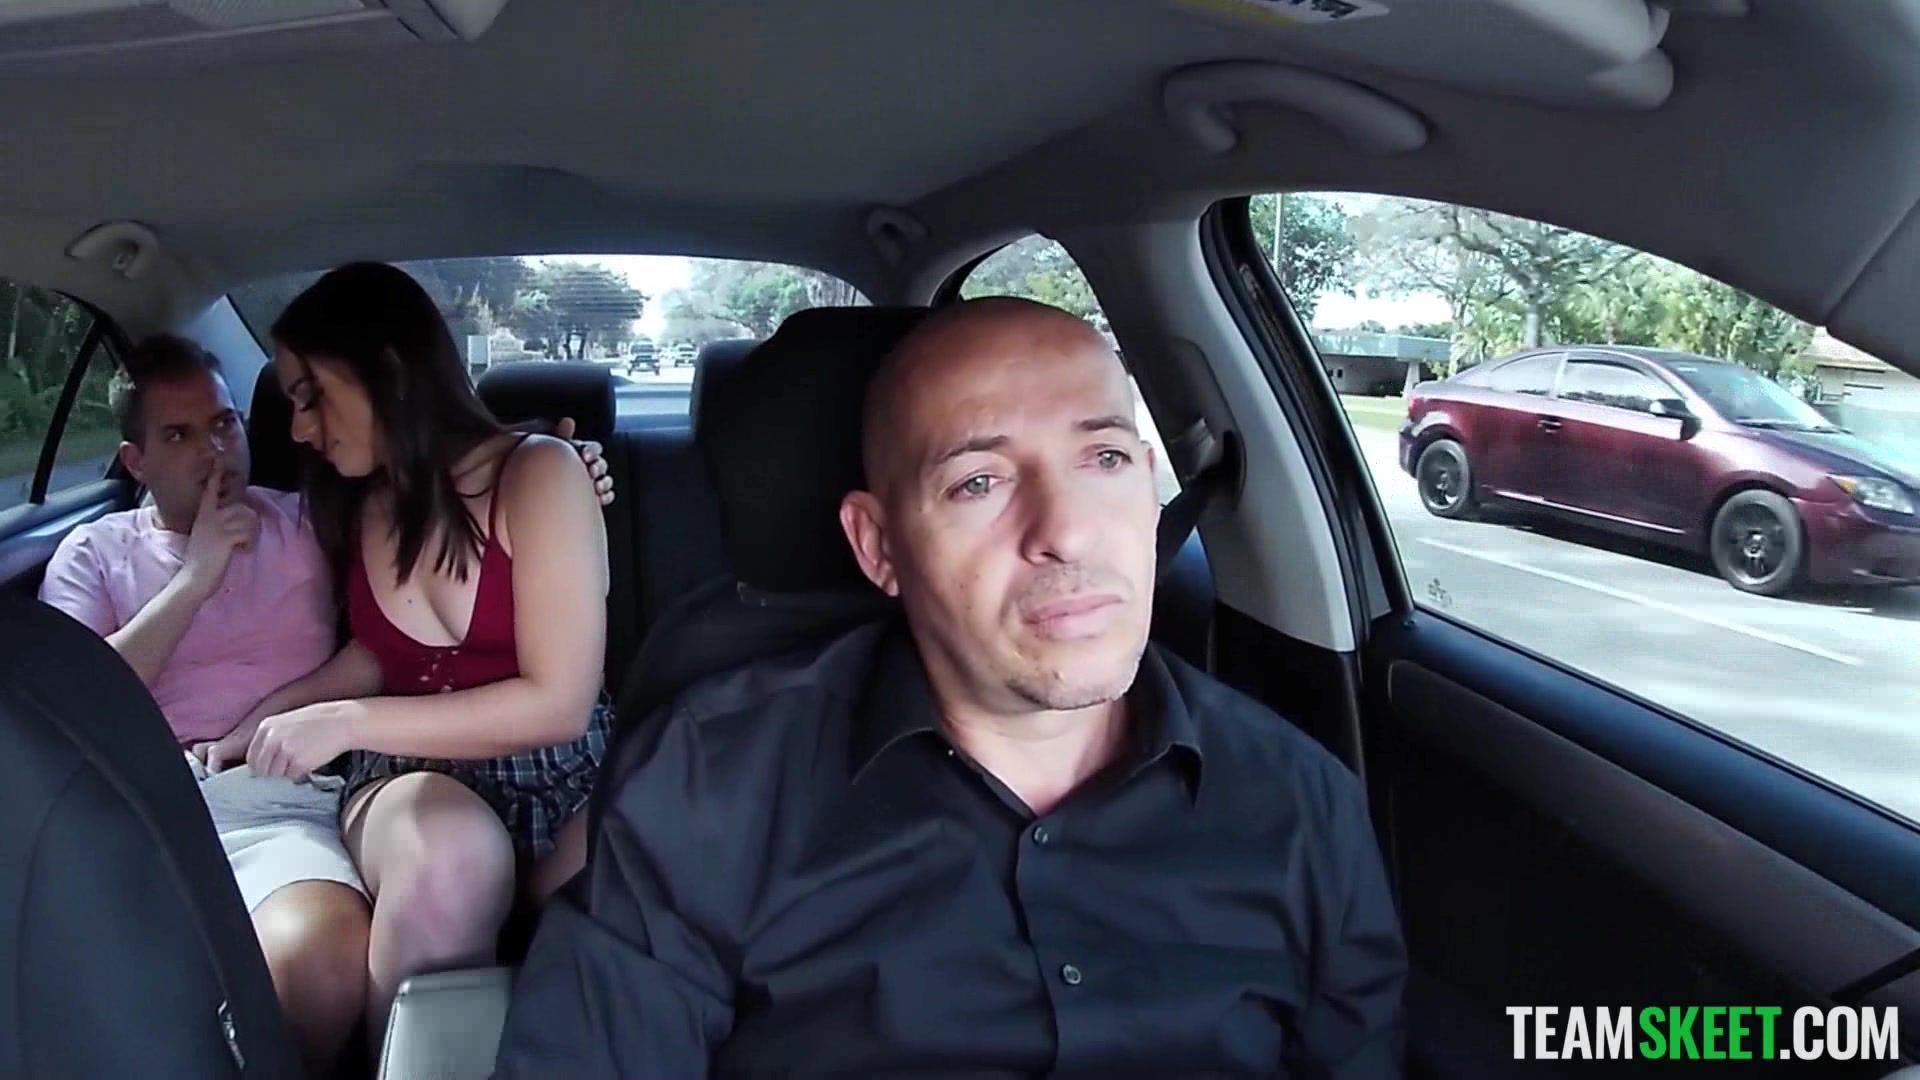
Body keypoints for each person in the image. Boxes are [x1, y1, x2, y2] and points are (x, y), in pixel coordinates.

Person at [493, 297, 1407, 1077]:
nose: (1066, 532)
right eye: (979, 482)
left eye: (1105, 460)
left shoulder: (1301, 801)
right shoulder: (710, 786)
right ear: (878, 546)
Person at [35, 334, 613, 1076]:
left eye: (225, 424)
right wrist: (196, 575)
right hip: (129, 792)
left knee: (321, 962)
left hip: (281, 792)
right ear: (134, 461)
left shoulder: (311, 521)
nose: (214, 452)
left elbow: (441, 512)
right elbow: (76, 703)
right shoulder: (93, 550)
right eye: (179, 436)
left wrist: (560, 476)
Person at [225, 262, 612, 1046]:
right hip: (410, 779)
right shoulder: (360, 502)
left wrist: (346, 722)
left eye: (311, 395)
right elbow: (378, 654)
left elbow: (560, 703)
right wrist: (261, 722)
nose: (297, 429)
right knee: (448, 856)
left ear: (390, 371)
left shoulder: (540, 473)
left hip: (567, 776)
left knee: (641, 861)